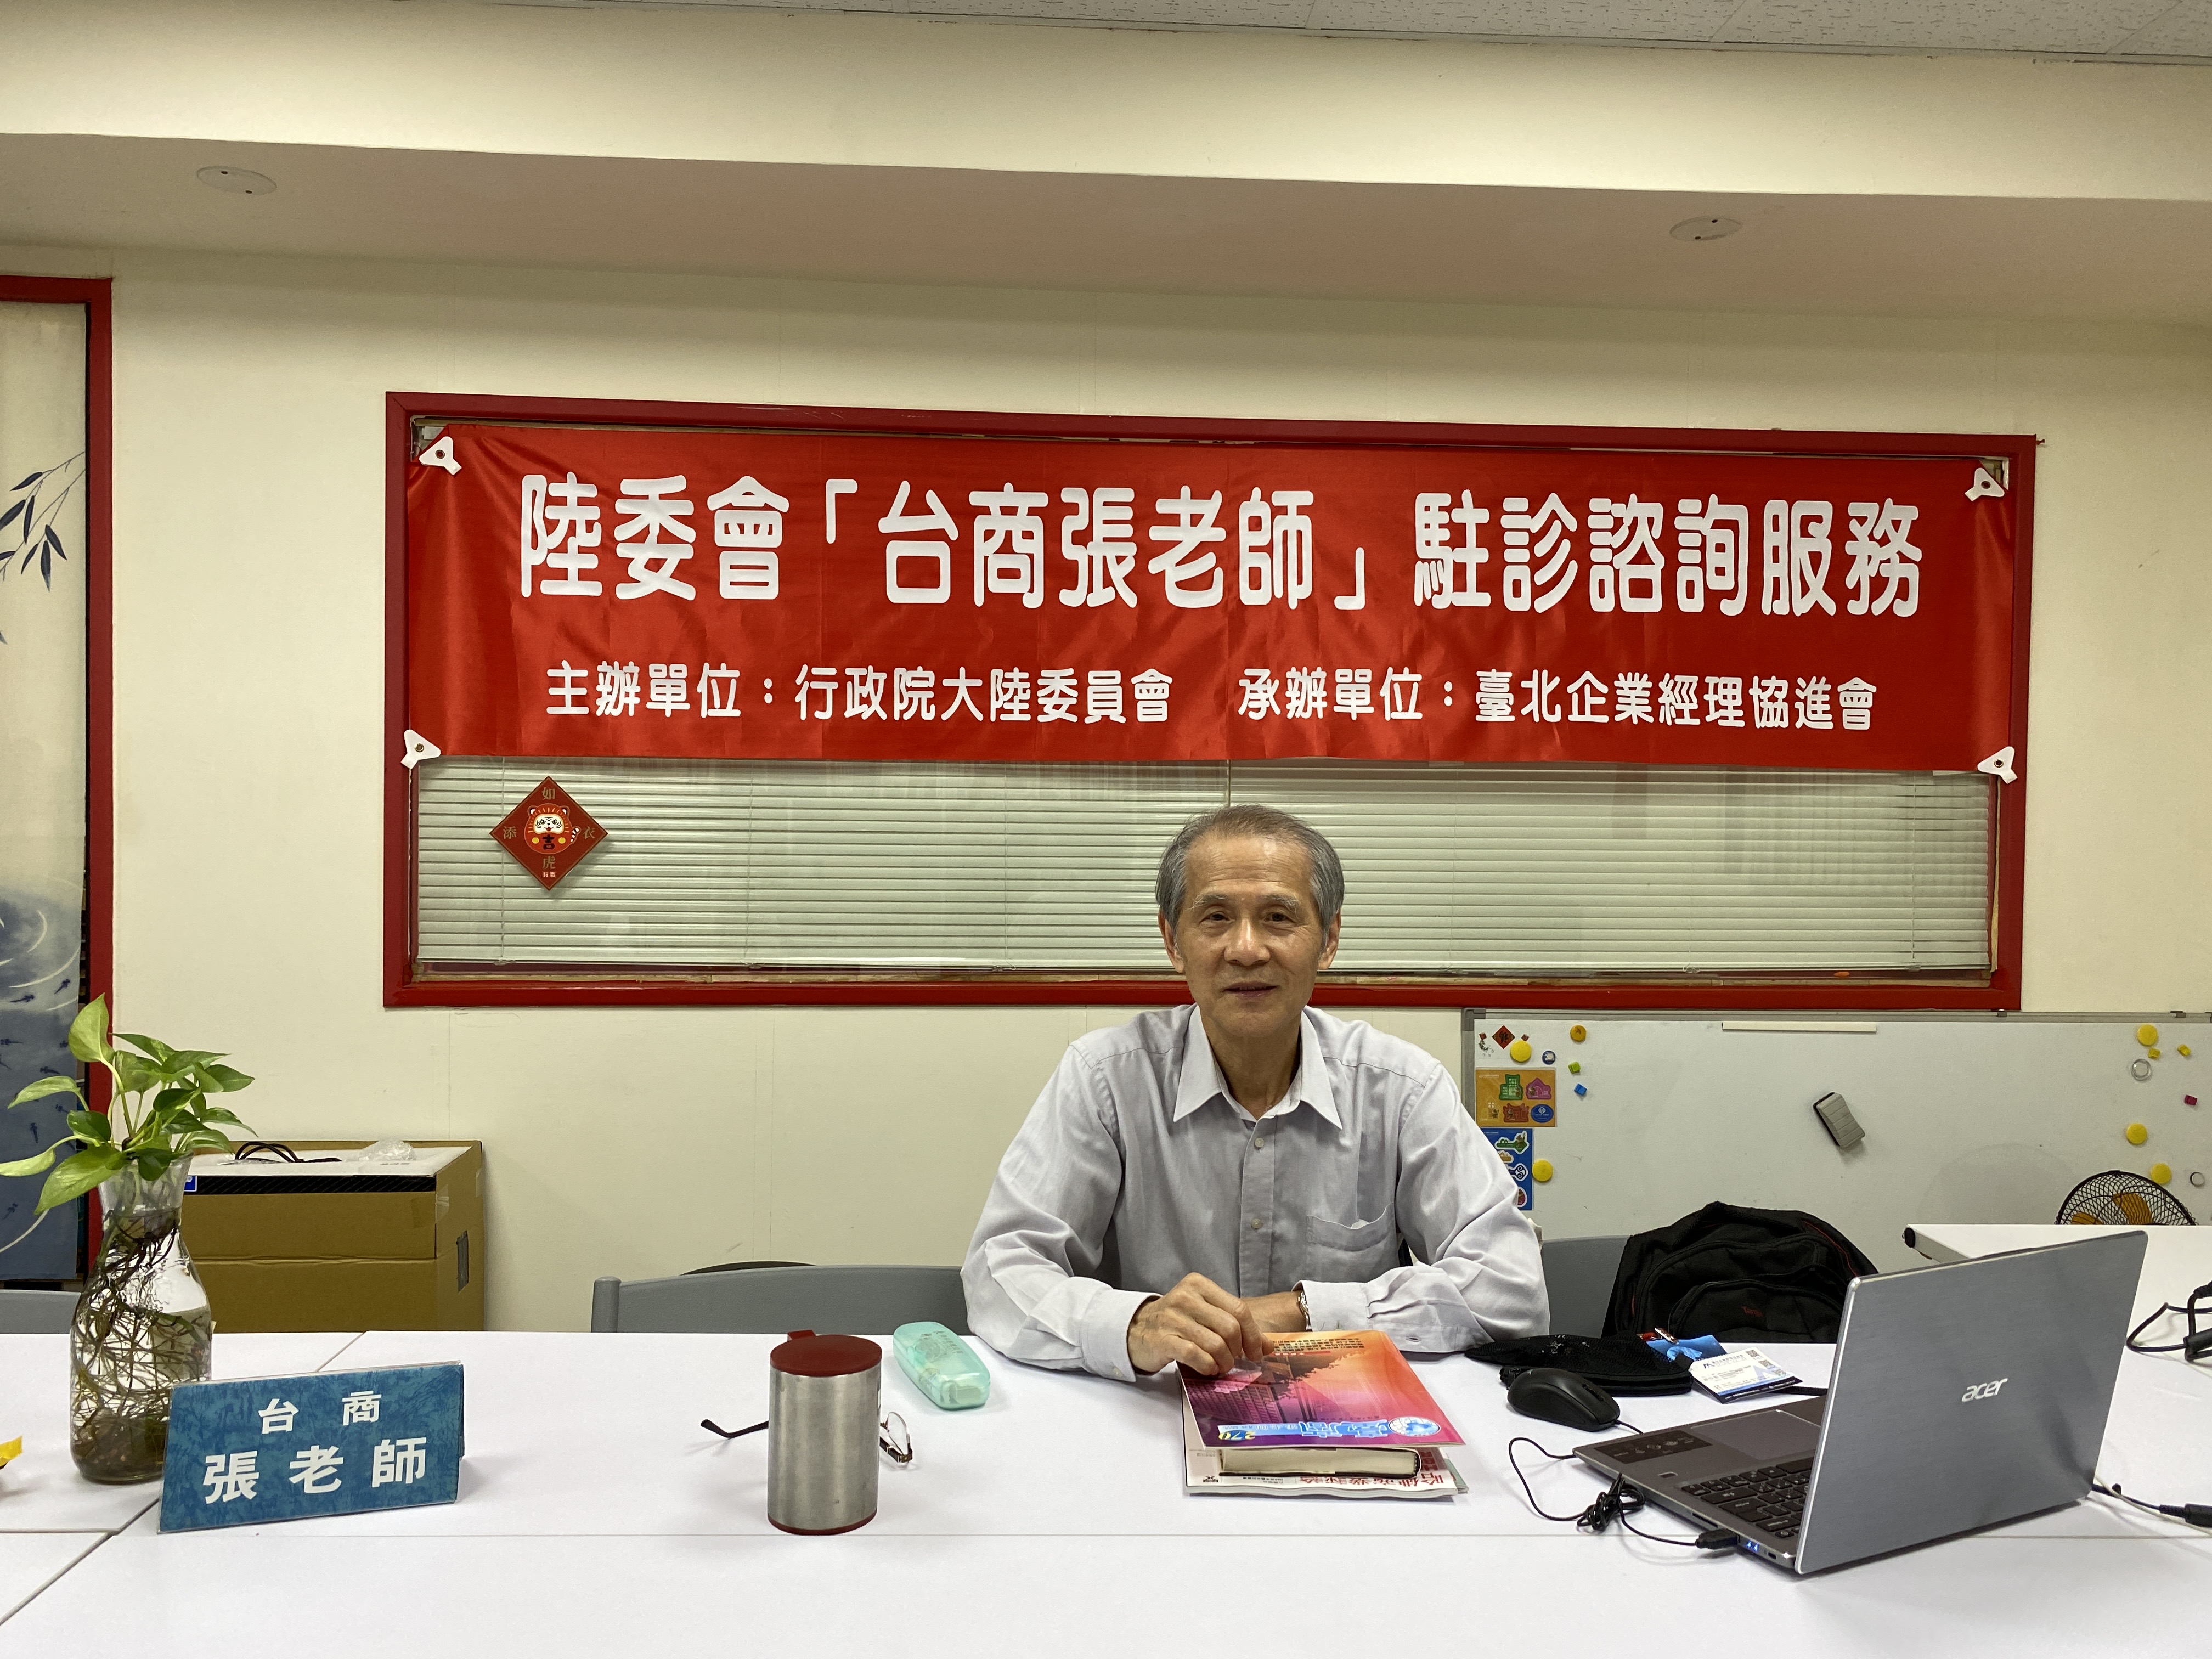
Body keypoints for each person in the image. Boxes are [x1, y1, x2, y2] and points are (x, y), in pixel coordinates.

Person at [962, 804, 1546, 1380]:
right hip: (1152, 1411)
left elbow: (1512, 1285)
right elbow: (1001, 1270)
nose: (1246, 949)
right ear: (1172, 941)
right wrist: (1136, 1324)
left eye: (1278, 917)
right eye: (1216, 917)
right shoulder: (1106, 1080)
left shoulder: (1402, 1089)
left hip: (1345, 1410)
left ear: (1328, 939)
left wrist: (1304, 1312)